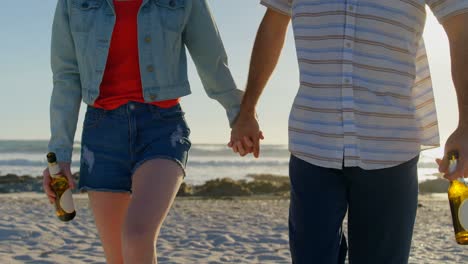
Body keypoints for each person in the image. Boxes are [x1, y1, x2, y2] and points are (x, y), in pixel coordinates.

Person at [230, 0, 468, 263]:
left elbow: (461, 29)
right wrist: (248, 109)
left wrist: (466, 126)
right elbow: (273, 25)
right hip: (313, 142)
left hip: (391, 147)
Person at [42, 0, 249, 263]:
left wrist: (240, 114)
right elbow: (66, 76)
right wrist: (59, 154)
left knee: (137, 236)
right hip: (101, 134)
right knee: (118, 257)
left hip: (162, 128)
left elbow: (212, 60)